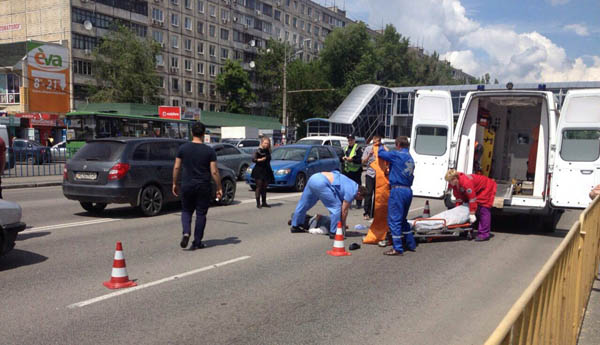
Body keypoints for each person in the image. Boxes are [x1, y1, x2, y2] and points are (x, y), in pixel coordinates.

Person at [172, 122, 222, 250]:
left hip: (187, 184)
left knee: (186, 210)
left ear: (191, 133)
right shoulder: (209, 151)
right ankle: (197, 241)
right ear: (203, 134)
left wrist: (174, 183)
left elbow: (177, 167)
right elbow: (214, 171)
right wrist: (219, 187)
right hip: (203, 186)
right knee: (201, 214)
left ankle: (186, 232)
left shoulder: (183, 148)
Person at [290, 171, 367, 239]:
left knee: (304, 204)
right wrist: (342, 226)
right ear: (359, 193)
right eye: (360, 198)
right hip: (322, 182)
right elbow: (344, 211)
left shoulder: (351, 183)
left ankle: (295, 226)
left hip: (314, 177)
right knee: (336, 207)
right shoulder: (352, 191)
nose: (359, 200)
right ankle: (334, 232)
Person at [377, 136, 416, 256]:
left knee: (394, 220)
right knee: (402, 219)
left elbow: (381, 154)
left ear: (398, 144)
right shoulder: (410, 158)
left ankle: (397, 248)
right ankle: (411, 243)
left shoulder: (396, 155)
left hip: (397, 190)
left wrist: (379, 145)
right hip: (408, 191)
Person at [445, 169, 497, 242]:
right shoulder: (453, 182)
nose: (449, 183)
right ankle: (466, 230)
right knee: (465, 208)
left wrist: (472, 213)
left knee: (483, 209)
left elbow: (472, 198)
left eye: (450, 181)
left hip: (486, 187)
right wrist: (459, 208)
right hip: (476, 189)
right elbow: (458, 196)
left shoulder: (466, 182)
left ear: (455, 179)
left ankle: (484, 234)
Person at [252, 137, 275, 208]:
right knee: (259, 186)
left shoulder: (267, 150)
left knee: (265, 187)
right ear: (262, 143)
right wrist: (260, 159)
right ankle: (258, 203)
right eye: (265, 143)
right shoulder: (258, 150)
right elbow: (253, 159)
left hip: (266, 170)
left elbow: (269, 159)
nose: (266, 144)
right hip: (259, 170)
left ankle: (264, 202)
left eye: (268, 143)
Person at [361, 135, 381, 220]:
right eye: (374, 142)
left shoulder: (382, 149)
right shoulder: (368, 149)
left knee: (377, 194)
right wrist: (369, 155)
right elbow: (363, 161)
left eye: (377, 142)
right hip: (370, 174)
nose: (376, 144)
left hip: (379, 174)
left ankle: (375, 213)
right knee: (368, 193)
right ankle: (366, 212)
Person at [343, 134, 363, 208]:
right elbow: (342, 157)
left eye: (351, 140)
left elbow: (360, 160)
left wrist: (352, 160)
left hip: (356, 171)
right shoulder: (346, 148)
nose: (350, 141)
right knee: (348, 187)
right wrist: (342, 158)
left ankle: (359, 203)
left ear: (354, 140)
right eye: (349, 140)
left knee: (358, 187)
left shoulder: (358, 148)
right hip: (348, 171)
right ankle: (349, 202)